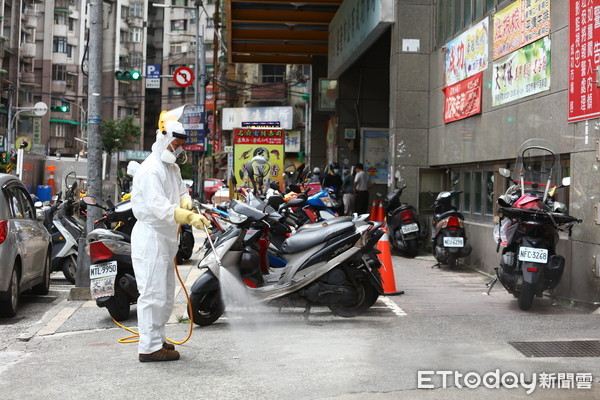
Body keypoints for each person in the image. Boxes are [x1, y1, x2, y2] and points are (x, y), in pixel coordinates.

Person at [131, 118, 210, 363]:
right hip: (151, 237)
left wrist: (186, 203)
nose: (179, 149)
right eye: (176, 144)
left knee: (164, 294)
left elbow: (181, 192)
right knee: (152, 294)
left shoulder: (170, 167)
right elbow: (160, 207)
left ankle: (157, 339)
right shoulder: (150, 169)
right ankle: (148, 347)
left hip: (165, 239)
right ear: (164, 139)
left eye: (181, 145)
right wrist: (187, 216)